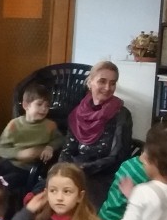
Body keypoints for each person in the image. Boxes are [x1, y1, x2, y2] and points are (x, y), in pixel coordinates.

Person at [56, 60, 133, 203]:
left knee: (80, 202)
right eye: (102, 81)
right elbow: (68, 149)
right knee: (47, 193)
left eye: (112, 83)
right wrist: (61, 170)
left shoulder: (122, 115)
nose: (108, 87)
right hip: (75, 171)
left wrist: (83, 169)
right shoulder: (77, 113)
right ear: (90, 82)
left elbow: (118, 156)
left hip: (104, 175)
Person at [0, 85, 64, 197]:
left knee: (4, 183)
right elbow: (1, 148)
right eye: (39, 104)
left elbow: (60, 139)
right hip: (11, 162)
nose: (44, 109)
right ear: (26, 105)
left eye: (47, 106)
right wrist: (19, 154)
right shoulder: (14, 124)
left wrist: (50, 147)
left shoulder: (50, 125)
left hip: (29, 169)